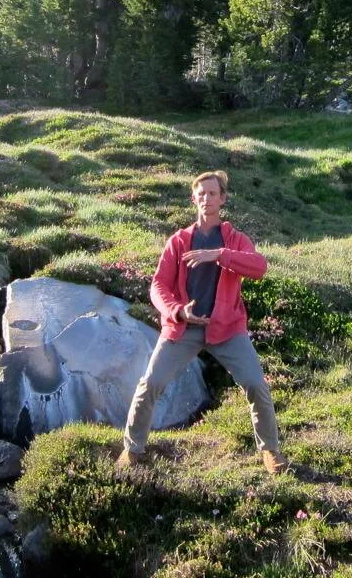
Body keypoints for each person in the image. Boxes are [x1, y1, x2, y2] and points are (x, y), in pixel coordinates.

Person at [118, 169, 288, 474]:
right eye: (201, 194)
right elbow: (158, 287)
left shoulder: (235, 240)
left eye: (212, 193)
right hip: (184, 328)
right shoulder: (178, 241)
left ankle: (270, 451)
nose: (206, 199)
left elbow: (259, 267)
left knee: (255, 384)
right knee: (150, 383)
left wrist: (219, 254)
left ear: (222, 199)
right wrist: (178, 311)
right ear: (193, 198)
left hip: (227, 329)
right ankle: (133, 450)